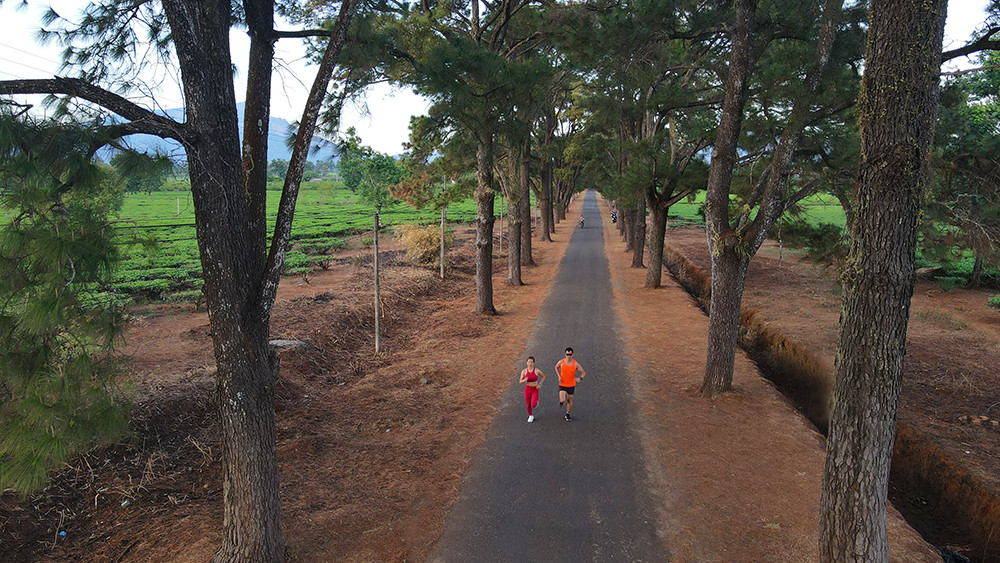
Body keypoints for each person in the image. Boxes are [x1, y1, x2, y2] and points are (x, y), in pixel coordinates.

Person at [554, 347, 586, 421]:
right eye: (567, 354)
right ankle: (562, 401)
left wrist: (580, 378)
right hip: (562, 384)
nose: (568, 356)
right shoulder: (561, 362)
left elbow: (583, 372)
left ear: (572, 354)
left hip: (571, 385)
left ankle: (567, 413)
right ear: (565, 354)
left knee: (569, 400)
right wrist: (559, 376)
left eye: (570, 354)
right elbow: (556, 367)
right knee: (562, 399)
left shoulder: (576, 364)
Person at [518, 357, 545, 423]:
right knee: (528, 404)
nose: (530, 363)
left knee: (533, 404)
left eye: (531, 362)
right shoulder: (524, 371)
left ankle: (535, 401)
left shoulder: (537, 371)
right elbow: (520, 381)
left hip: (535, 389)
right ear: (526, 363)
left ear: (534, 363)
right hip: (528, 388)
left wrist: (540, 384)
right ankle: (530, 415)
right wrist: (524, 380)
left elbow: (543, 376)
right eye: (529, 362)